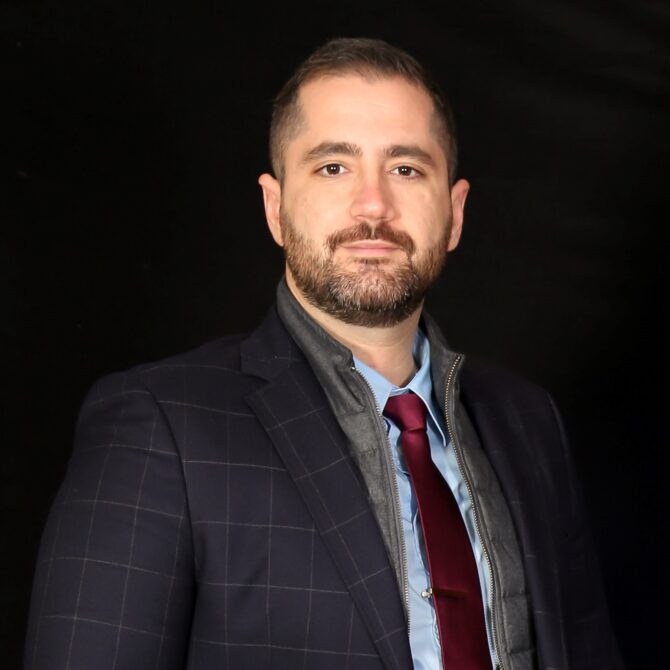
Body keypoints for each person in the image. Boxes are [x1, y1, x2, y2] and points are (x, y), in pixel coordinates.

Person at [25, 38, 623, 670]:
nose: (373, 205)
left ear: (454, 213)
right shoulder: (159, 426)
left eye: (406, 168)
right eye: (333, 167)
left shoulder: (529, 422)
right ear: (275, 208)